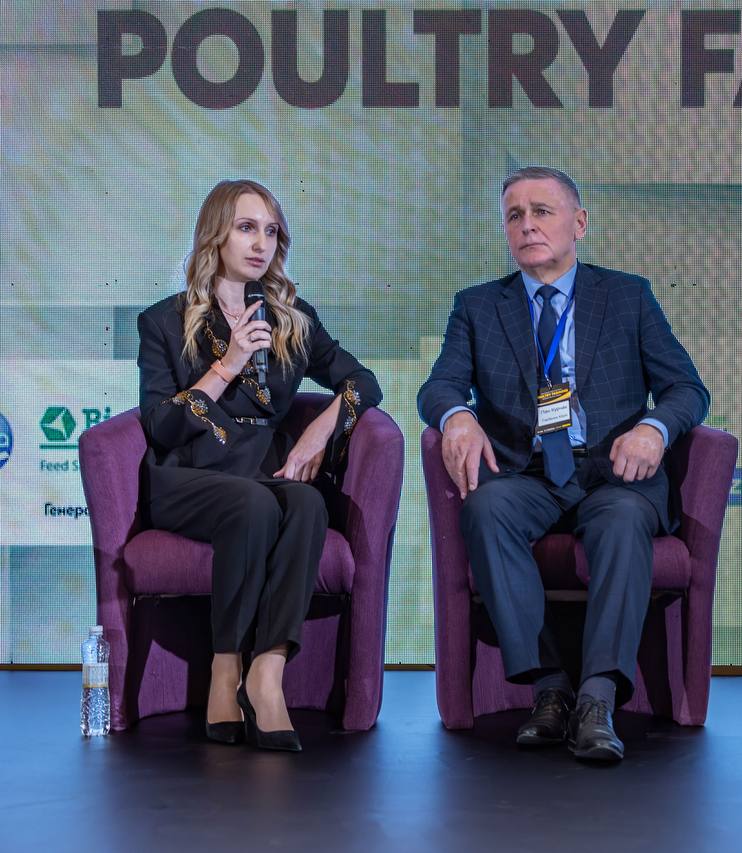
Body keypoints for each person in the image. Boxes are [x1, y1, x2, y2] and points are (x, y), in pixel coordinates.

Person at [418, 166, 709, 762]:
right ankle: (550, 687)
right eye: (515, 215)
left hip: (611, 473)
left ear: (578, 223)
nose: (527, 225)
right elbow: (439, 386)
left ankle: (597, 699)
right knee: (486, 508)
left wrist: (653, 429)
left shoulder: (627, 296)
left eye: (542, 211)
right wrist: (456, 416)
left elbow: (686, 389)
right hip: (525, 473)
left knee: (623, 520)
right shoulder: (478, 306)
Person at [136, 179, 382, 751]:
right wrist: (228, 363)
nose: (260, 244)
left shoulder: (291, 319)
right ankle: (225, 669)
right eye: (246, 228)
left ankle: (267, 674)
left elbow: (362, 382)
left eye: (270, 232)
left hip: (257, 474)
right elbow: (161, 426)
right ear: (215, 235)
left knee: (307, 501)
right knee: (253, 503)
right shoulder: (164, 322)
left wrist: (321, 429)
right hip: (185, 478)